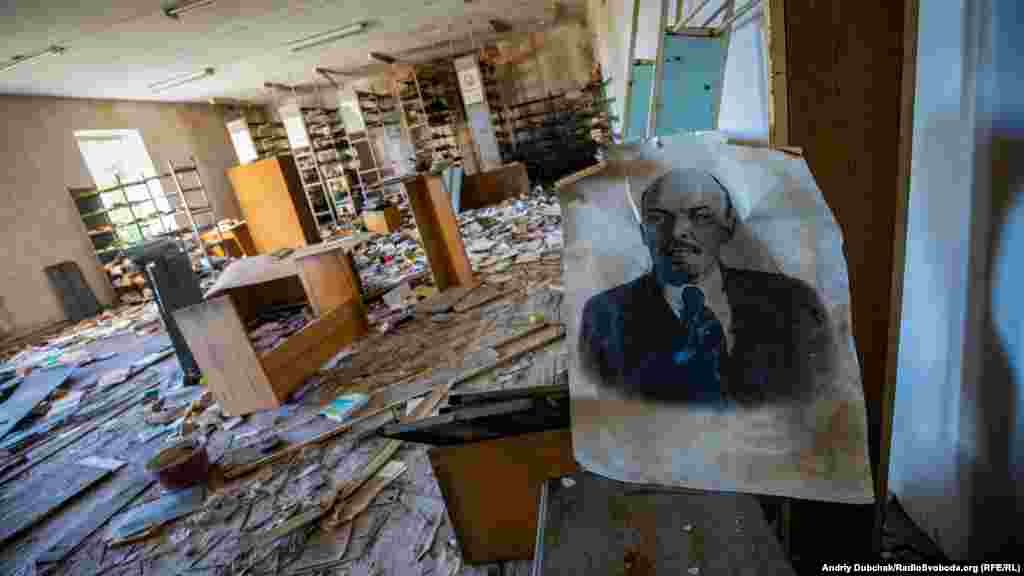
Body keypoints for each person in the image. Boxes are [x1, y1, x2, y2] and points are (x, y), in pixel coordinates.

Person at [578, 168, 833, 407]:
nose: (678, 232)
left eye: (701, 217)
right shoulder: (603, 316)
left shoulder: (794, 302)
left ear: (728, 226)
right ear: (643, 232)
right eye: (658, 218)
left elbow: (823, 403)